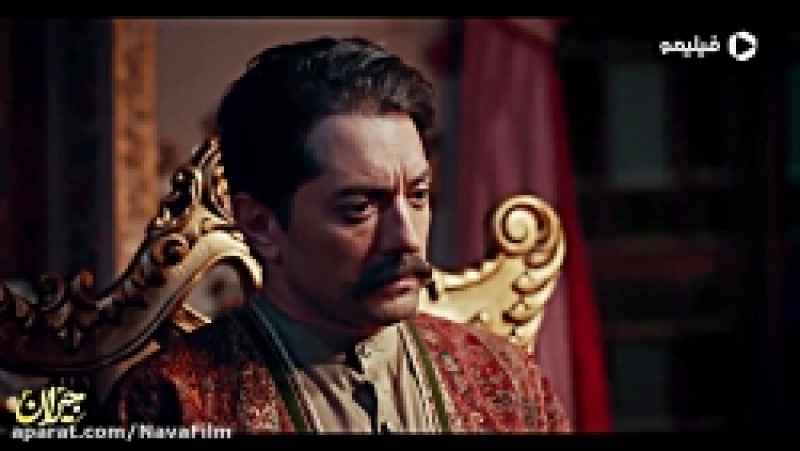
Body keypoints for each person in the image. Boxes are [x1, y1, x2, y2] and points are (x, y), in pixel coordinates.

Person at [106, 36, 571, 433]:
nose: (405, 238)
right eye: (359, 209)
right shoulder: (169, 404)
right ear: (261, 225)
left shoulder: (506, 380)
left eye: (418, 196)